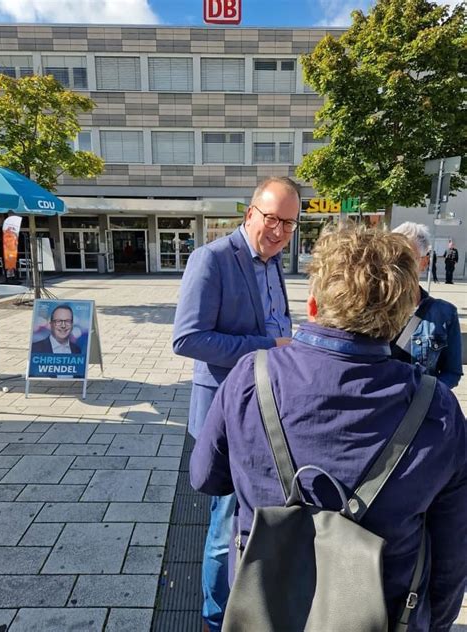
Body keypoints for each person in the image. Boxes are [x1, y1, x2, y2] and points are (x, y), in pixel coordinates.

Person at [190, 226, 466, 631]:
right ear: (403, 313)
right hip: (383, 615)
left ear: (315, 302)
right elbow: (452, 555)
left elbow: (205, 478)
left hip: (264, 606)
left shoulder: (253, 375)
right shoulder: (436, 408)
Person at [173, 176, 300, 631]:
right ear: (250, 213)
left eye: (289, 222)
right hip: (225, 413)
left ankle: (250, 607)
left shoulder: (274, 262)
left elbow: (276, 320)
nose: (280, 230)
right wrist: (266, 345)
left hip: (268, 409)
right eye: (272, 219)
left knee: (254, 519)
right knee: (224, 525)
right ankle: (214, 619)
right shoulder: (211, 259)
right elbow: (187, 338)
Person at [392, 222, 462, 388]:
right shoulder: (369, 308)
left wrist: (426, 398)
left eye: (408, 258)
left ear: (425, 261)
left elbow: (452, 372)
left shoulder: (444, 313)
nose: (398, 265)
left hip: (419, 409)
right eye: (392, 256)